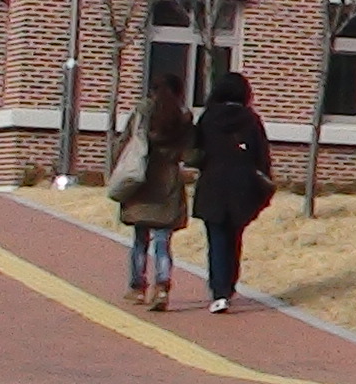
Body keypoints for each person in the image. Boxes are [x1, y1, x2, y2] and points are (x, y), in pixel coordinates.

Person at [189, 75, 275, 315]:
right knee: (234, 237)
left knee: (216, 239)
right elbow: (261, 155)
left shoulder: (208, 117)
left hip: (212, 184)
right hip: (242, 186)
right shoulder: (251, 119)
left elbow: (197, 152)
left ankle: (219, 292)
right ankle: (229, 285)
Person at [114, 73, 195, 311]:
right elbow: (190, 152)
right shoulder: (183, 117)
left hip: (141, 182)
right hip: (168, 184)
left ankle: (137, 288)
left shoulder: (142, 113)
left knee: (140, 240)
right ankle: (162, 287)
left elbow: (124, 142)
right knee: (162, 241)